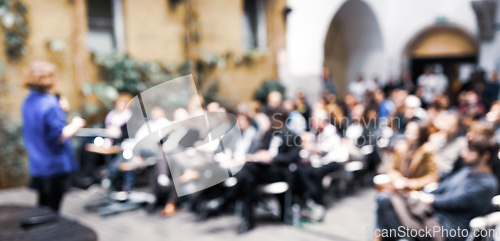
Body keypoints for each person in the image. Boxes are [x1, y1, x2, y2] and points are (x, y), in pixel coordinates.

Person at [377, 139, 499, 241]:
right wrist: (422, 195)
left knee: (387, 204)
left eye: (469, 151)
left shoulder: (487, 184)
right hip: (434, 214)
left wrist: (430, 199)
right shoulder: (465, 171)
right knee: (386, 198)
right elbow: (442, 186)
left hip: (448, 228)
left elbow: (456, 202)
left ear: (485, 156)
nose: (463, 153)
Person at [22, 61, 86, 212]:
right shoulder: (50, 104)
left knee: (42, 204)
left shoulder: (28, 101)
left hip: (38, 161)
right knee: (53, 208)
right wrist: (76, 124)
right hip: (54, 164)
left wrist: (60, 110)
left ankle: (38, 233)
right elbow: (59, 136)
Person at [387, 121, 439, 191]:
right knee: (382, 196)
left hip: (418, 190)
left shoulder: (428, 150)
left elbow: (432, 177)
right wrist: (397, 178)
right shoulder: (401, 146)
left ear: (421, 134)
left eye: (413, 132)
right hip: (399, 186)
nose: (408, 134)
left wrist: (409, 183)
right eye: (407, 131)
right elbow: (392, 168)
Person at [429, 111, 467, 179]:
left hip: (449, 175)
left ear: (457, 127)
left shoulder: (461, 142)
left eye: (453, 124)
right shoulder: (433, 138)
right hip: (432, 172)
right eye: (447, 121)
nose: (450, 125)